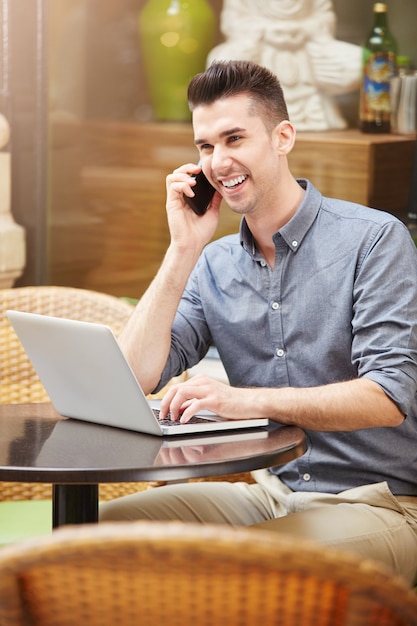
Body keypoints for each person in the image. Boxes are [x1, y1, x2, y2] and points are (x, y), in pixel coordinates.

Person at [100, 60, 417, 587]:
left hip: (382, 505)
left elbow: (387, 398)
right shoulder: (214, 261)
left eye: (234, 138)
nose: (219, 162)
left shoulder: (374, 241)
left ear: (282, 137)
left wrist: (246, 400)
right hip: (269, 497)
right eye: (206, 147)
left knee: (237, 572)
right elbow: (134, 378)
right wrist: (182, 249)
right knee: (91, 536)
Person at [206, 0, 361, 130]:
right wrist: (266, 31)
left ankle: (314, 109)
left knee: (359, 63)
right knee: (221, 62)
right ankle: (253, 110)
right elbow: (233, 21)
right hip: (259, 48)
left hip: (306, 46)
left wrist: (304, 29)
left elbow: (324, 16)